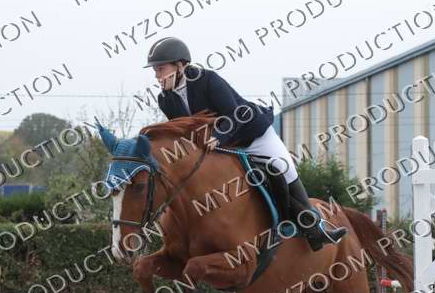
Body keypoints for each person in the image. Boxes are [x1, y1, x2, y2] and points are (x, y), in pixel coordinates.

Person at [145, 36, 347, 252]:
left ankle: (315, 228)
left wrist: (218, 136)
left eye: (160, 69)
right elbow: (183, 129)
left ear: (179, 66)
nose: (157, 76)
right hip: (223, 147)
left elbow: (236, 113)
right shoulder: (165, 99)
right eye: (155, 71)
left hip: (253, 134)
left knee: (283, 168)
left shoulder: (207, 79)